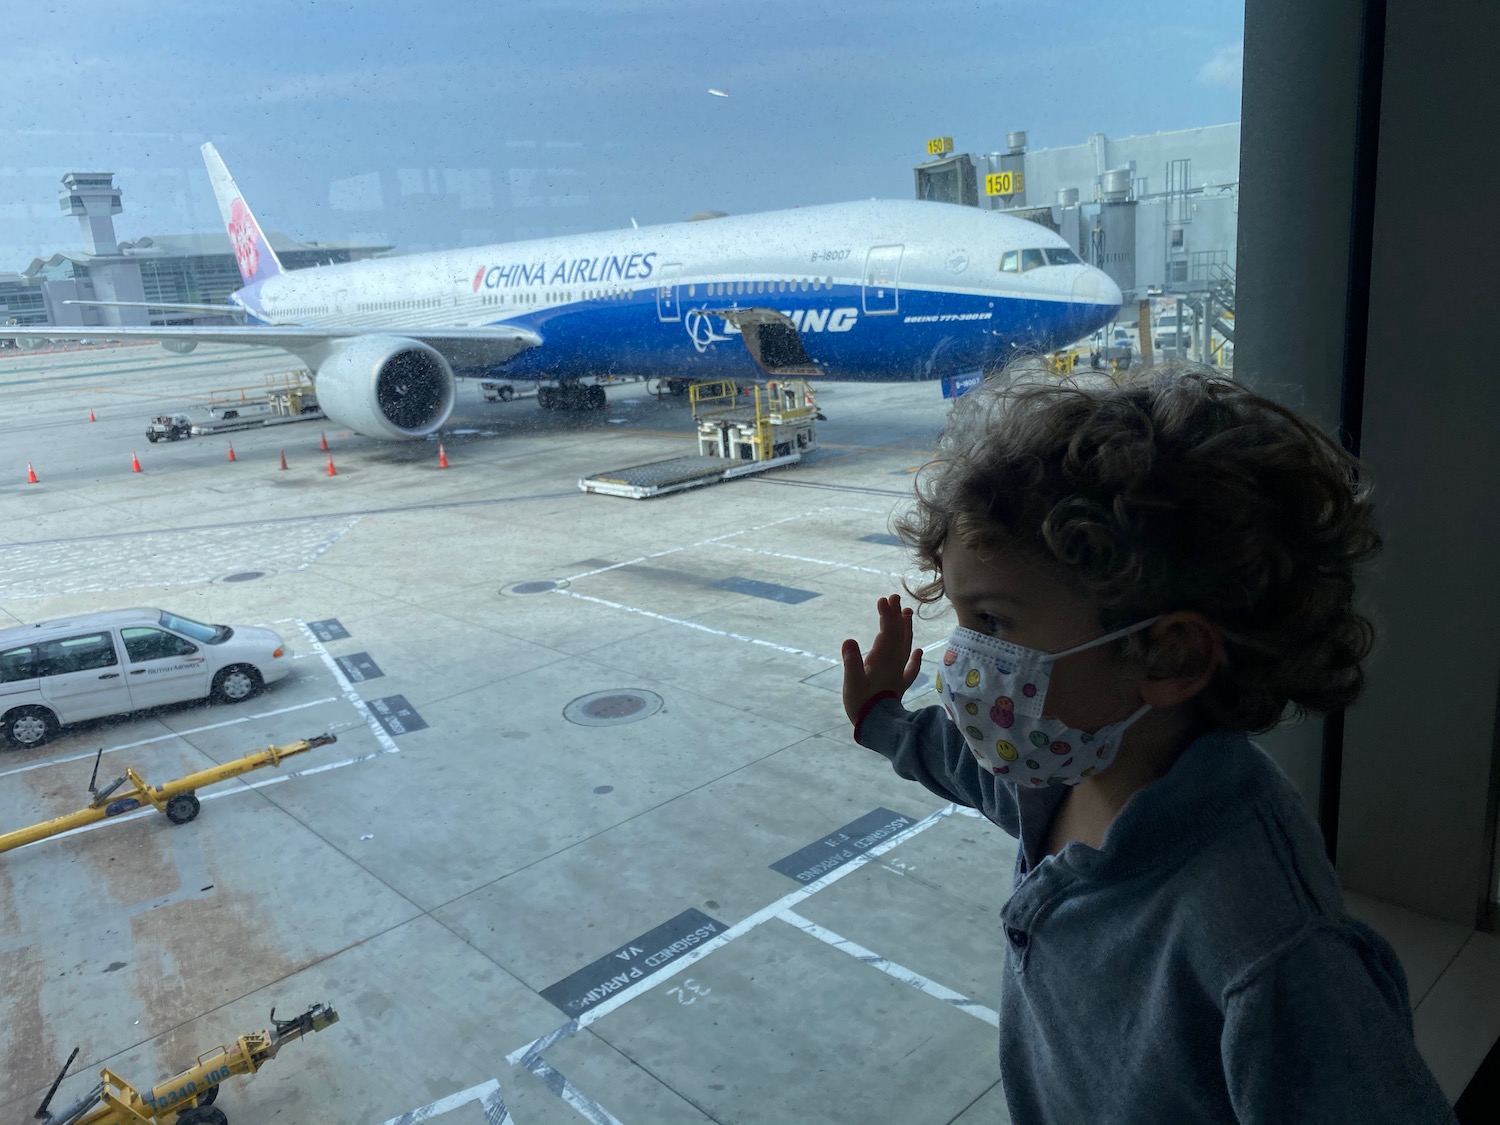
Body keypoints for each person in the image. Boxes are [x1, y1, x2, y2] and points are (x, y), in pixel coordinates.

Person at [840, 366, 1457, 1124]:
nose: (964, 659)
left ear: (1168, 658)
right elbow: (963, 764)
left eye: (993, 622)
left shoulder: (1270, 946)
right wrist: (881, 718)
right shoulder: (1067, 766)